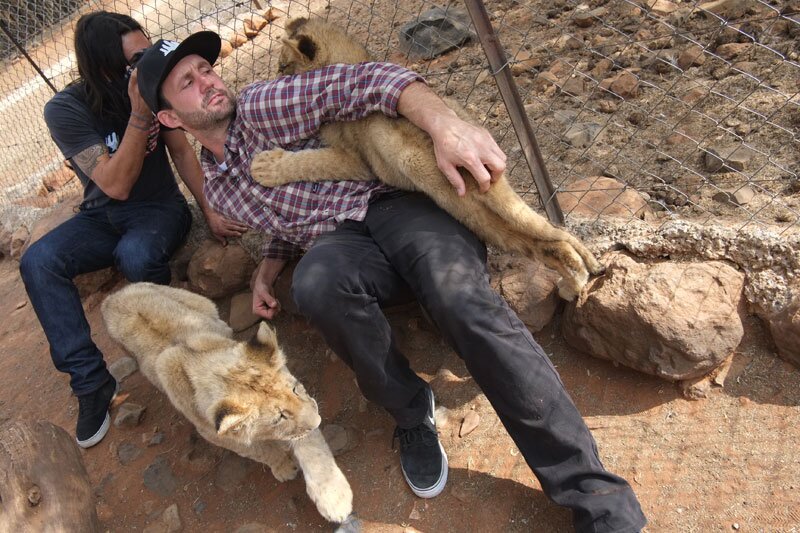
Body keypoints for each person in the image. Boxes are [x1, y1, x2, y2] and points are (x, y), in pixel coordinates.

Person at [135, 30, 647, 532]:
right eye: (187, 82)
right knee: (315, 283)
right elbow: (288, 223)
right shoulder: (220, 191)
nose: (207, 81)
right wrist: (267, 270)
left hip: (404, 204)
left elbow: (369, 79)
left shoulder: (264, 104)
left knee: (460, 301)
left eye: (206, 68)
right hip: (345, 240)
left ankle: (600, 504)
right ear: (169, 117)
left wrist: (447, 127)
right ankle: (412, 411)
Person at [18, 12, 249, 449]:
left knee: (137, 257)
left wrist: (211, 209)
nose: (147, 66)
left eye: (148, 52)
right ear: (105, 68)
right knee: (38, 260)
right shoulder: (65, 109)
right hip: (101, 215)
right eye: (136, 60)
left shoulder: (149, 89)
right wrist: (139, 117)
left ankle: (186, 357)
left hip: (158, 210)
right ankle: (90, 383)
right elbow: (113, 185)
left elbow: (181, 151)